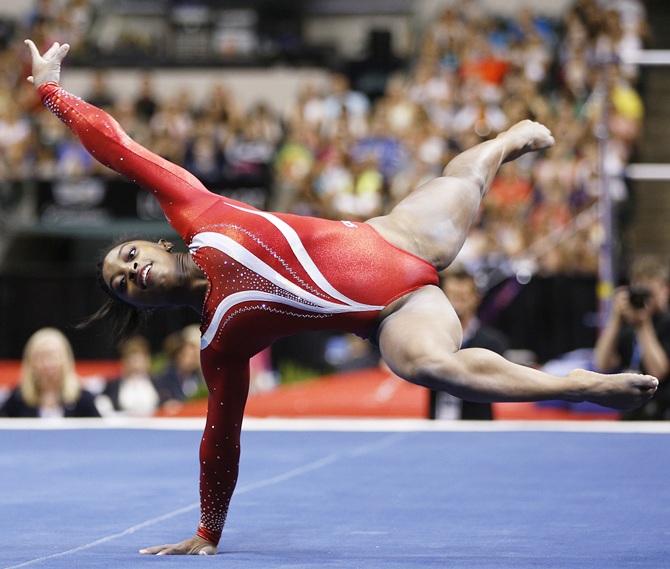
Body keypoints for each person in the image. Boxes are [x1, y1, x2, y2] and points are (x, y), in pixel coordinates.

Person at [24, 40, 658, 556]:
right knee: (430, 367)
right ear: (140, 303)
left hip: (395, 235)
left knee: (468, 174)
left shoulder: (200, 212)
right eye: (120, 282)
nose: (130, 271)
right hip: (395, 315)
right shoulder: (220, 340)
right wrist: (209, 531)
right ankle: (580, 385)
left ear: (154, 244)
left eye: (128, 256)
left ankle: (502, 141)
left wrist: (52, 92)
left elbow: (120, 149)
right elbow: (221, 437)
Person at [594, 256, 670, 419]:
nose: (644, 300)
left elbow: (659, 371)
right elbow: (603, 363)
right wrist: (615, 318)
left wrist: (644, 324)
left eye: (649, 293)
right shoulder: (627, 327)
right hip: (631, 412)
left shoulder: (666, 323)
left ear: (665, 290)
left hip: (663, 412)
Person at [430, 268, 510, 420]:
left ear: (476, 298)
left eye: (462, 297)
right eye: (452, 296)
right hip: (437, 425)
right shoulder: (432, 337)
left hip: (477, 426)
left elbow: (492, 382)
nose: (456, 303)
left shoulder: (492, 341)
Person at [0, 327, 100, 418]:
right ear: (30, 363)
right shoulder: (18, 399)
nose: (48, 364)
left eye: (54, 357)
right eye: (41, 357)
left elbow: (101, 433)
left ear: (66, 360)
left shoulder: (83, 398)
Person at [96, 335, 160, 417]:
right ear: (124, 360)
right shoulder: (113, 385)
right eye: (133, 358)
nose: (137, 363)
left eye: (141, 358)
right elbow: (102, 403)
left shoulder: (159, 383)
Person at [153, 324, 204, 408]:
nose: (192, 360)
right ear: (177, 356)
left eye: (193, 356)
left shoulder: (199, 377)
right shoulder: (162, 379)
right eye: (187, 355)